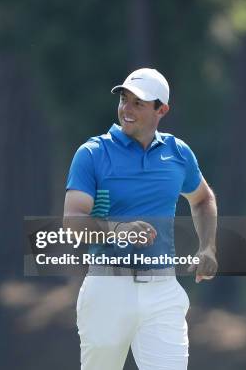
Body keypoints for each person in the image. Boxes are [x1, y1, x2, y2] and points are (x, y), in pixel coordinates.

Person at [64, 68, 218, 370]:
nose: (127, 109)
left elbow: (202, 199)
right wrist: (119, 230)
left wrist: (208, 247)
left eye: (139, 103)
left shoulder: (178, 154)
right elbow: (72, 222)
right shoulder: (92, 153)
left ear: (162, 110)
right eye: (124, 99)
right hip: (107, 287)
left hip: (163, 288)